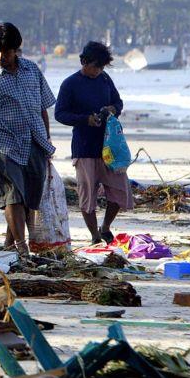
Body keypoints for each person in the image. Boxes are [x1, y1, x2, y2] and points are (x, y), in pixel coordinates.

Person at [0, 23, 55, 257]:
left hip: (36, 141)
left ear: (16, 50)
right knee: (12, 194)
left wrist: (46, 140)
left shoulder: (32, 70)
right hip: (6, 145)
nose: (1, 56)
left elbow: (42, 108)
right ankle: (22, 246)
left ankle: (9, 244)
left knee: (30, 197)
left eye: (6, 51)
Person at [55, 42, 133, 244]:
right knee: (87, 196)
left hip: (109, 147)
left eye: (102, 67)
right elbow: (60, 114)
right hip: (84, 148)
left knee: (119, 190)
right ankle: (94, 236)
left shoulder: (105, 79)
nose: (98, 71)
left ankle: (105, 227)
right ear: (84, 62)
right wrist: (85, 119)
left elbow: (118, 102)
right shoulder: (70, 84)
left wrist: (113, 109)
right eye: (96, 66)